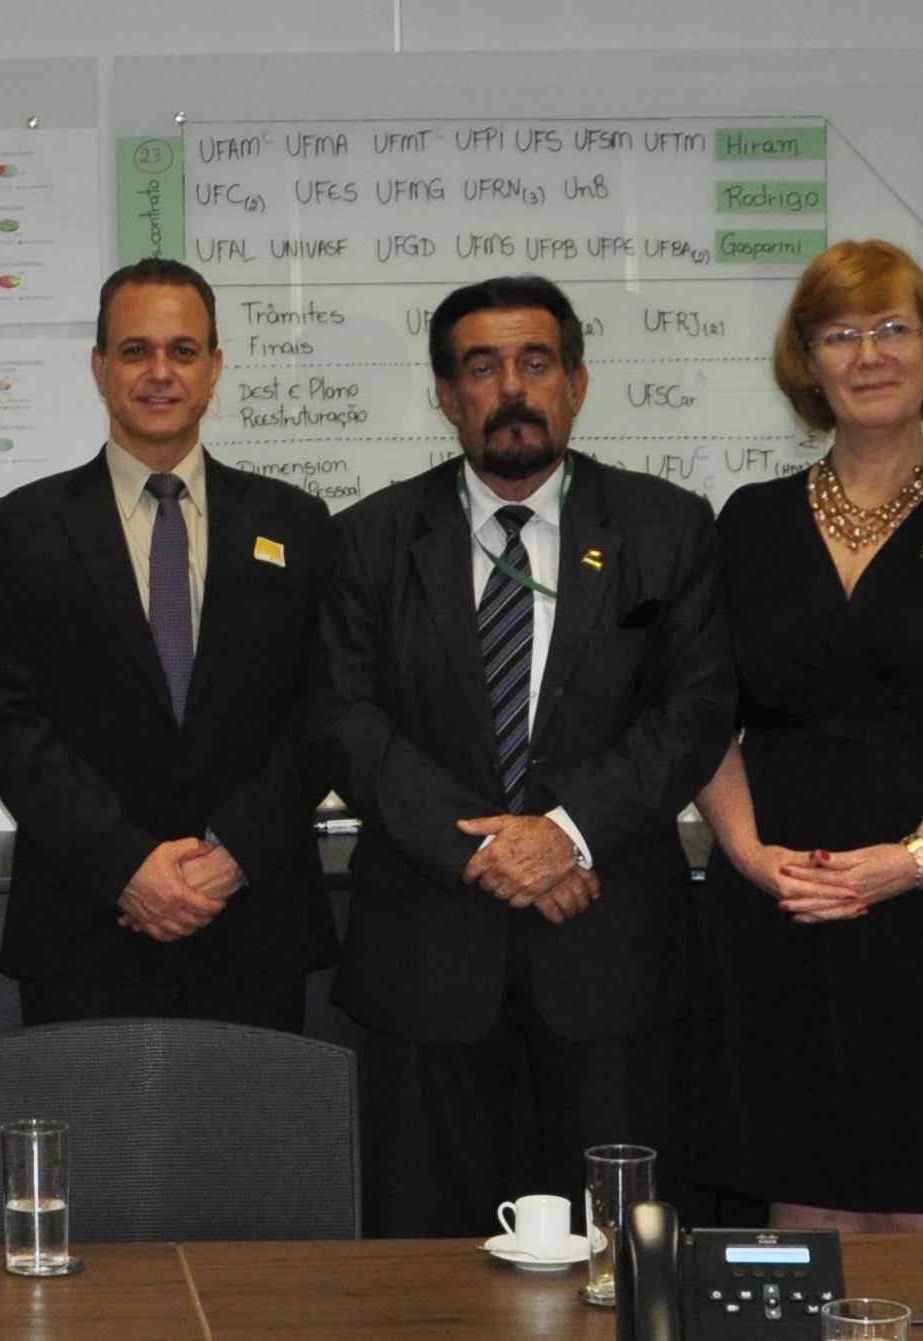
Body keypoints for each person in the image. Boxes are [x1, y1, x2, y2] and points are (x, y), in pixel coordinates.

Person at [311, 274, 732, 1237]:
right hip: (425, 957)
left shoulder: (669, 529)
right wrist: (490, 850)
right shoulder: (366, 539)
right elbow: (340, 716)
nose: (511, 388)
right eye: (481, 367)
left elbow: (696, 712)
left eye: (534, 362)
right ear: (445, 393)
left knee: (624, 1259)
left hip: (611, 953)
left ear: (576, 383)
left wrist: (566, 833)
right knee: (423, 1268)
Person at [688, 241, 923, 1230]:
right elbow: (698, 719)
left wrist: (914, 859)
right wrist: (748, 855)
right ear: (805, 362)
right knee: (798, 1199)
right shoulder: (747, 524)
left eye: (893, 327)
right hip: (782, 902)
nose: (868, 354)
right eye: (839, 334)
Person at [0, 258, 335, 1030]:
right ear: (100, 367)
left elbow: (323, 712)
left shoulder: (296, 524)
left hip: (252, 924)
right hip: (85, 926)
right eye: (135, 350)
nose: (159, 372)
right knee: (94, 1152)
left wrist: (230, 854)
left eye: (182, 350)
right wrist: (126, 868)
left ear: (214, 367)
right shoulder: (25, 527)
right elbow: (12, 722)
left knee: (252, 1153)